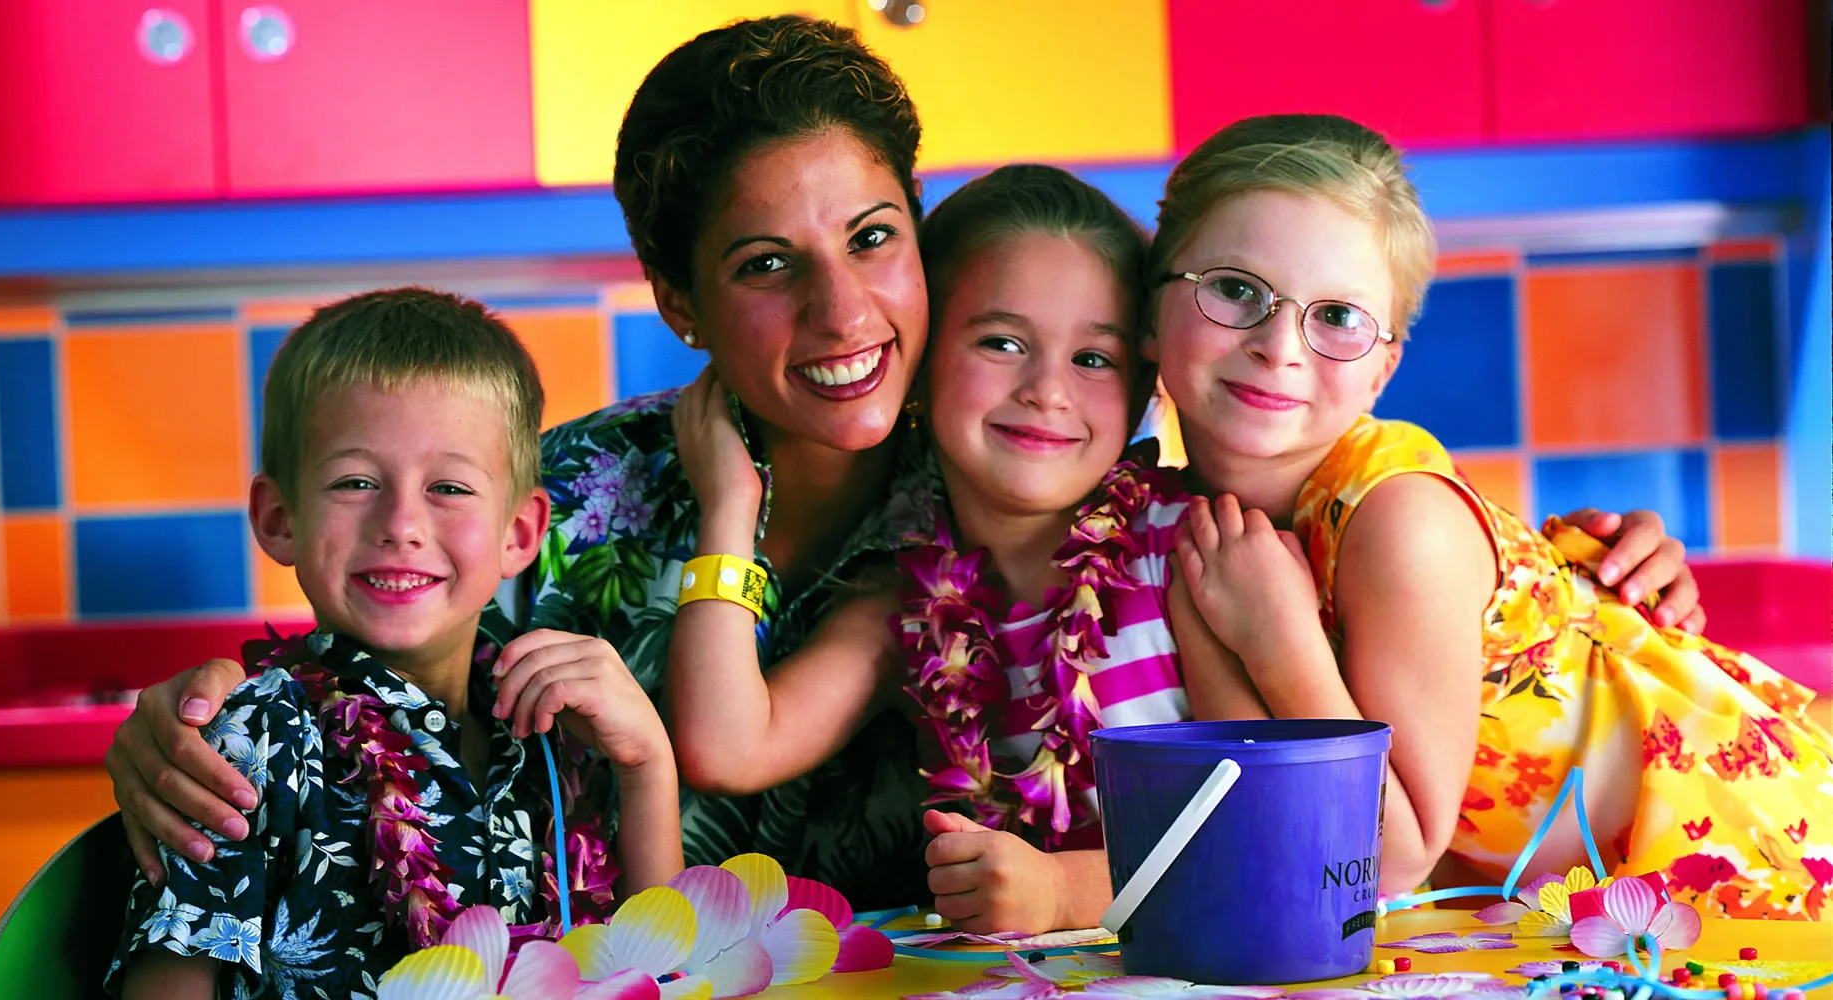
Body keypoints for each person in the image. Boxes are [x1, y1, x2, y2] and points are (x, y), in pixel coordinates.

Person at [99, 17, 1706, 912]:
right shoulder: (556, 510)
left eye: (873, 240)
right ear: (672, 300)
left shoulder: (1076, 496)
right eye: (761, 265)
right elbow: (373, 629)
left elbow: (1332, 712)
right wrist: (181, 733)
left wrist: (1566, 567)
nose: (845, 310)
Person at [1157, 114, 1833, 918]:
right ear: (1148, 302)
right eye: (1236, 289)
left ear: (1384, 369)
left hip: (1751, 869)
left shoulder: (1398, 519)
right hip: (1576, 915)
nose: (1281, 345)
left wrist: (1279, 641)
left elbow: (1388, 858)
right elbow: (1271, 815)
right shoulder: (1198, 530)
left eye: (1338, 317)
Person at [671, 164, 1246, 933]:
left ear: (1144, 386)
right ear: (918, 366)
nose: (1048, 389)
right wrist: (730, 510)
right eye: (1002, 342)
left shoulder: (1184, 556)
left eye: (1093, 358)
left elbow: (1275, 828)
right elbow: (728, 749)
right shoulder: (905, 609)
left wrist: (1065, 894)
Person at [110, 289, 683, 999]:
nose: (401, 522)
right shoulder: (253, 738)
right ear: (280, 519)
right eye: (355, 482)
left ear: (520, 534)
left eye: (449, 486)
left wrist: (646, 764)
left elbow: (652, 970)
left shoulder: (552, 723)